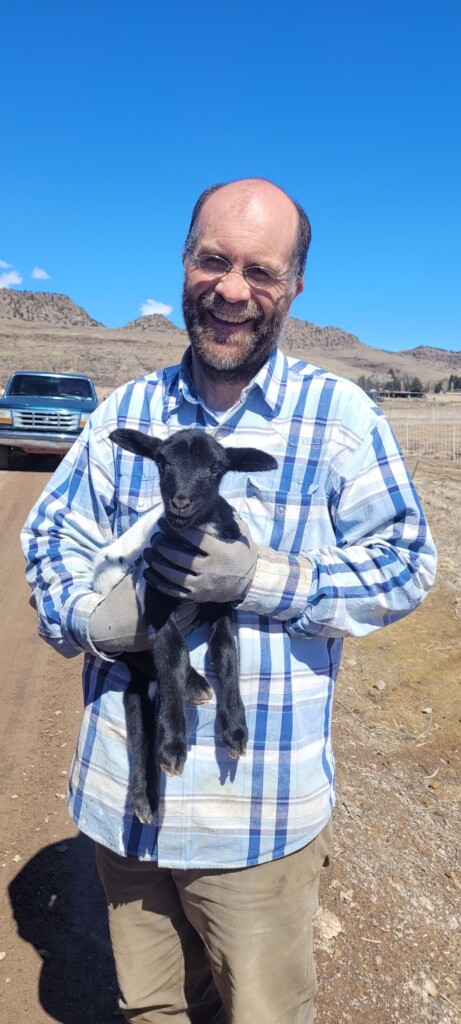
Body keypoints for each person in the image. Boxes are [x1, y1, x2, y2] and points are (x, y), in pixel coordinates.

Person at [21, 177, 437, 1024]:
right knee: (151, 1009)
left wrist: (263, 580)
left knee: (259, 1012)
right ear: (184, 263)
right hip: (124, 812)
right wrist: (90, 616)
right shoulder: (123, 415)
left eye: (260, 270)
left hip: (257, 818)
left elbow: (405, 564)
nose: (232, 289)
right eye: (213, 261)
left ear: (293, 288)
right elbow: (46, 541)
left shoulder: (339, 419)